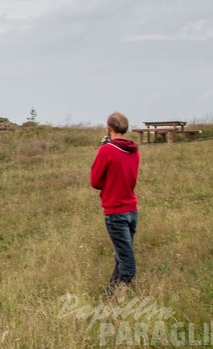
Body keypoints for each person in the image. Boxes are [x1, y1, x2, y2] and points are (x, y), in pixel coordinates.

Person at [90, 112, 140, 295]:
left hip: (115, 210)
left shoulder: (107, 150)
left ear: (109, 128)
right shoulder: (133, 150)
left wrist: (104, 148)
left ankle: (117, 294)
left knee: (126, 262)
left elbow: (95, 181)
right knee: (122, 255)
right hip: (131, 209)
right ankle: (110, 294)